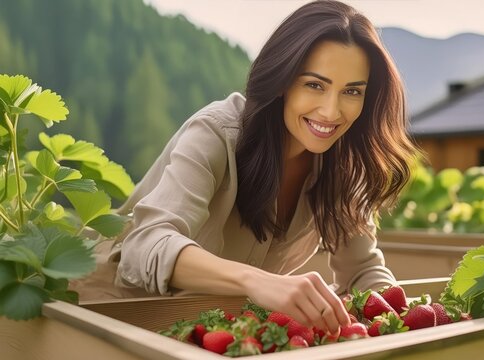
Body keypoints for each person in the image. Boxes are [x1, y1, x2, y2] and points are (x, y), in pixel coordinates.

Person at [75, 0, 419, 336]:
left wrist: (403, 321)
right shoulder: (217, 133)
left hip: (204, 335)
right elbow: (145, 245)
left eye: (352, 91)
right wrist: (256, 281)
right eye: (315, 85)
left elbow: (362, 270)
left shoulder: (344, 166)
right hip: (100, 320)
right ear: (284, 80)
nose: (331, 112)